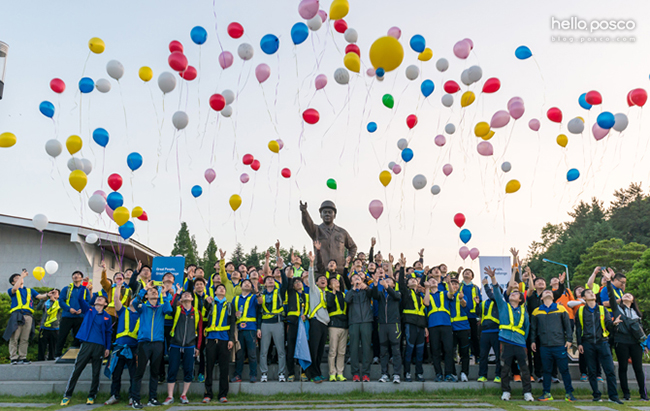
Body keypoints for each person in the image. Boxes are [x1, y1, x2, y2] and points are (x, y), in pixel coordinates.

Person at [484, 266, 533, 402]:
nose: (513, 294)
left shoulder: (524, 312)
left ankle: (527, 392)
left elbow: (527, 328)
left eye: (516, 294)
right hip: (505, 341)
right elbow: (497, 294)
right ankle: (506, 391)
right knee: (504, 368)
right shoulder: (503, 306)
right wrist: (493, 278)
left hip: (520, 343)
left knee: (524, 369)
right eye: (512, 293)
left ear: (520, 299)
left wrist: (522, 340)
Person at [603, 268, 648, 401]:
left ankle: (643, 394)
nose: (627, 295)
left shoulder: (637, 314)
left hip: (635, 342)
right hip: (621, 341)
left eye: (630, 295)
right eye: (625, 294)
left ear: (633, 300)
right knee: (622, 367)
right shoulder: (617, 309)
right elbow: (611, 296)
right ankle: (626, 394)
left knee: (638, 368)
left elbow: (640, 330)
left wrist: (644, 344)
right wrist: (609, 281)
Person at [60, 292, 112, 406]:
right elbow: (79, 298)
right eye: (98, 298)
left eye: (102, 299)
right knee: (77, 369)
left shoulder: (107, 316)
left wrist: (107, 347)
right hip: (86, 344)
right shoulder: (89, 310)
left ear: (105, 304)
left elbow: (109, 333)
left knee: (96, 372)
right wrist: (85, 286)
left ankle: (91, 396)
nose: (99, 299)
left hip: (99, 346)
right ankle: (67, 395)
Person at [131, 279, 174, 408]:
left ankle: (152, 398)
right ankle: (135, 400)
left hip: (158, 343)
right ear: (147, 296)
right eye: (151, 291)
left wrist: (165, 295)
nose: (154, 292)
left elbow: (169, 310)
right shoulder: (143, 307)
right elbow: (134, 302)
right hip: (144, 343)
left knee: (155, 372)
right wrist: (145, 288)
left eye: (155, 291)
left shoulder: (161, 307)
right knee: (140, 372)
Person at [575, 287, 623, 404]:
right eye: (588, 293)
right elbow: (578, 328)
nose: (592, 293)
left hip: (602, 342)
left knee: (609, 370)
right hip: (587, 343)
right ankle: (596, 395)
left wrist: (613, 324)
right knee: (591, 370)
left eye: (592, 292)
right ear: (584, 297)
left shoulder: (602, 309)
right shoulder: (580, 311)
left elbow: (607, 324)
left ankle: (613, 396)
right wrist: (579, 344)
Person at [530, 290, 576, 402]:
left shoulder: (561, 308)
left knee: (564, 370)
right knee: (546, 370)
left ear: (553, 297)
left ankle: (569, 393)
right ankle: (546, 393)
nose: (548, 292)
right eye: (545, 292)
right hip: (544, 346)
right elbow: (533, 329)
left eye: (550, 292)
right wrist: (532, 341)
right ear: (541, 297)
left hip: (559, 344)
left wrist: (569, 339)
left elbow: (568, 326)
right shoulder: (536, 311)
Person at [103, 276, 140, 407]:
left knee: (133, 374)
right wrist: (118, 287)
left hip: (133, 348)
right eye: (133, 298)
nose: (134, 300)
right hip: (119, 347)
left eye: (136, 299)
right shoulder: (123, 310)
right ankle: (114, 395)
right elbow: (115, 299)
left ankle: (132, 396)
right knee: (116, 373)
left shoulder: (141, 314)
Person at [162, 287, 201, 406]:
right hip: (175, 344)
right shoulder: (177, 309)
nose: (186, 295)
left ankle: (184, 394)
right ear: (181, 298)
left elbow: (199, 331)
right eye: (184, 295)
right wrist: (177, 293)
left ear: (192, 298)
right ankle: (170, 396)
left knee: (188, 370)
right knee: (172, 369)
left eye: (189, 294)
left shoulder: (197, 313)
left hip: (190, 345)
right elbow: (170, 305)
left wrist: (198, 347)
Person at [300, 200, 357, 275]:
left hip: (339, 271)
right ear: (320, 215)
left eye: (330, 212)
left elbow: (353, 247)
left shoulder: (342, 232)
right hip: (321, 272)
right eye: (325, 212)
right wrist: (304, 212)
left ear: (334, 215)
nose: (327, 214)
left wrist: (349, 258)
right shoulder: (316, 230)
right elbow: (307, 223)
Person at [4, 270, 47, 364]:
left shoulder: (29, 290)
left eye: (20, 276)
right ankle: (13, 358)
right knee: (14, 337)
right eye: (16, 278)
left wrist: (48, 294)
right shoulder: (12, 290)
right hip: (17, 315)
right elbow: (14, 289)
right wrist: (22, 277)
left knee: (25, 338)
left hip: (28, 316)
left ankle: (22, 357)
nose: (19, 278)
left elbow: (39, 296)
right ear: (12, 282)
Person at [259, 248, 289, 383]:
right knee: (264, 351)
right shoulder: (262, 294)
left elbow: (286, 282)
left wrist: (280, 268)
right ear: (264, 283)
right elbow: (259, 308)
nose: (271, 281)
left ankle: (281, 373)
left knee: (281, 350)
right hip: (265, 324)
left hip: (277, 322)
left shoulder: (280, 291)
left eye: (272, 279)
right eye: (268, 280)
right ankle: (264, 373)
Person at [203, 284, 236, 403]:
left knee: (224, 368)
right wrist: (206, 300)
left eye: (224, 288)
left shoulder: (230, 305)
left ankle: (223, 394)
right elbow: (205, 307)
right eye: (219, 288)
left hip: (224, 339)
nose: (222, 289)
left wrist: (231, 339)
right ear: (215, 292)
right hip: (211, 339)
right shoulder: (210, 303)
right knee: (209, 367)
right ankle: (208, 394)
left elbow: (232, 323)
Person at [398, 254, 426, 382]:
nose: (413, 280)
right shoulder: (405, 292)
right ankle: (407, 373)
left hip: (420, 324)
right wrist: (403, 267)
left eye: (415, 280)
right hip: (410, 324)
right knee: (409, 349)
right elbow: (401, 283)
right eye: (410, 280)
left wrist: (425, 327)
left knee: (420, 350)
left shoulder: (420, 295)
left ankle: (419, 373)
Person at [423, 275, 453, 382]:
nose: (433, 282)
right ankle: (438, 373)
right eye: (430, 281)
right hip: (433, 325)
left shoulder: (443, 292)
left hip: (446, 324)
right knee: (435, 350)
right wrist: (427, 289)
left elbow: (451, 294)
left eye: (434, 280)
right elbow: (426, 303)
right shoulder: (427, 294)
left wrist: (449, 283)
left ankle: (449, 373)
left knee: (448, 349)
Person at [306, 249, 330, 383]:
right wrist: (311, 263)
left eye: (324, 279)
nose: (323, 280)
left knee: (320, 351)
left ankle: (318, 372)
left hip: (324, 324)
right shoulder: (314, 290)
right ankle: (312, 374)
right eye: (320, 279)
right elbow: (310, 278)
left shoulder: (328, 294)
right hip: (315, 322)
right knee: (313, 350)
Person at [56, 270, 90, 358]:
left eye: (78, 275)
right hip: (67, 316)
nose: (76, 276)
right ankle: (57, 354)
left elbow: (88, 302)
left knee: (78, 337)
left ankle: (76, 354)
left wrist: (82, 310)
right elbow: (61, 301)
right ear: (72, 277)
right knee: (62, 335)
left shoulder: (85, 290)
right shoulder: (66, 288)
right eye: (74, 274)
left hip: (80, 316)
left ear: (81, 278)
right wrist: (69, 309)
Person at [231, 278, 259, 383]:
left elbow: (260, 302)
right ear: (240, 286)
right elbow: (231, 314)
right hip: (239, 330)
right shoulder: (235, 299)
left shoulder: (253, 297)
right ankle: (238, 375)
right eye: (245, 283)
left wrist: (257, 291)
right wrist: (235, 314)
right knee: (239, 354)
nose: (247, 284)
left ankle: (253, 375)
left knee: (252, 353)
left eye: (249, 283)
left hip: (251, 329)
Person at [347, 272, 373, 382]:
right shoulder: (350, 292)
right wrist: (354, 289)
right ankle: (355, 374)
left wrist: (366, 287)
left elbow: (375, 294)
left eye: (359, 278)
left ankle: (366, 373)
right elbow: (347, 300)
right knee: (354, 348)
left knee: (366, 348)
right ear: (352, 282)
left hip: (366, 321)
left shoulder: (366, 291)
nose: (357, 279)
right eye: (354, 278)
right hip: (354, 322)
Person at [284, 268, 309, 382]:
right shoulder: (291, 293)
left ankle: (304, 373)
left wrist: (306, 316)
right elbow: (288, 283)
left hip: (303, 324)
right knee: (291, 349)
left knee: (303, 347)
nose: (298, 284)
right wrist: (290, 274)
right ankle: (291, 373)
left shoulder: (307, 296)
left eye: (300, 282)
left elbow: (311, 309)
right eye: (295, 283)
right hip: (292, 324)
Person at [477, 277, 501, 383]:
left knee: (498, 355)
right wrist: (478, 304)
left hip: (496, 331)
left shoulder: (499, 301)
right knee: (483, 355)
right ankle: (482, 375)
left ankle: (498, 375)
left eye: (493, 290)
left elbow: (493, 295)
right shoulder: (484, 303)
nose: (491, 291)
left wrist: (486, 285)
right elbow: (478, 314)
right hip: (485, 332)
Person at [327, 275, 348, 382]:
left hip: (344, 325)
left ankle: (340, 373)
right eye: (333, 281)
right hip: (334, 325)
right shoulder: (329, 294)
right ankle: (332, 373)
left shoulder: (344, 294)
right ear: (330, 285)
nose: (336, 282)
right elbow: (329, 305)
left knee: (341, 351)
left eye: (337, 280)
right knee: (333, 350)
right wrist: (333, 292)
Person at [449, 278, 471, 382]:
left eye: (456, 284)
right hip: (451, 328)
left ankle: (464, 373)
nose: (454, 286)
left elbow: (465, 306)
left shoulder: (462, 295)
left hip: (463, 327)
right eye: (452, 284)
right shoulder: (447, 296)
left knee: (465, 352)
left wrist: (462, 299)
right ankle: (453, 373)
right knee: (451, 351)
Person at [459, 268, 481, 363]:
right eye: (465, 272)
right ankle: (462, 357)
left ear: (472, 276)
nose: (467, 273)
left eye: (469, 272)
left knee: (474, 337)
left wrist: (479, 316)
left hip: (472, 316)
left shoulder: (475, 287)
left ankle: (477, 356)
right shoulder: (459, 286)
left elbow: (479, 302)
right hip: (461, 315)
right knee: (462, 338)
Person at [37, 289, 61, 361]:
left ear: (58, 295)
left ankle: (51, 358)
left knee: (53, 345)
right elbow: (38, 308)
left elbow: (61, 308)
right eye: (52, 292)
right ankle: (40, 359)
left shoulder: (59, 302)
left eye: (55, 293)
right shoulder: (46, 302)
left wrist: (54, 300)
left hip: (55, 327)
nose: (53, 294)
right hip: (44, 327)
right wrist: (43, 298)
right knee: (42, 345)